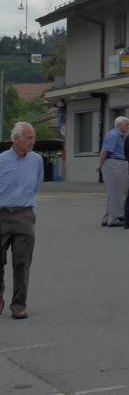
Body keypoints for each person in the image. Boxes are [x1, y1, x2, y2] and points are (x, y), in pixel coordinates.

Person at [0, 121, 42, 319]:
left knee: (22, 263)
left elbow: (36, 186)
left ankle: (18, 304)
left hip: (25, 215)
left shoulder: (36, 160)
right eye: (29, 137)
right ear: (17, 139)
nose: (33, 141)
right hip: (1, 214)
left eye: (34, 137)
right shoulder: (2, 160)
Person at [97, 116, 129, 227]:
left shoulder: (118, 135)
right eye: (126, 124)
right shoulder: (114, 135)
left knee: (113, 193)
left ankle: (107, 218)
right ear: (119, 124)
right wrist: (99, 164)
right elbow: (105, 151)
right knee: (116, 193)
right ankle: (114, 219)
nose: (128, 126)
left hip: (115, 162)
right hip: (114, 163)